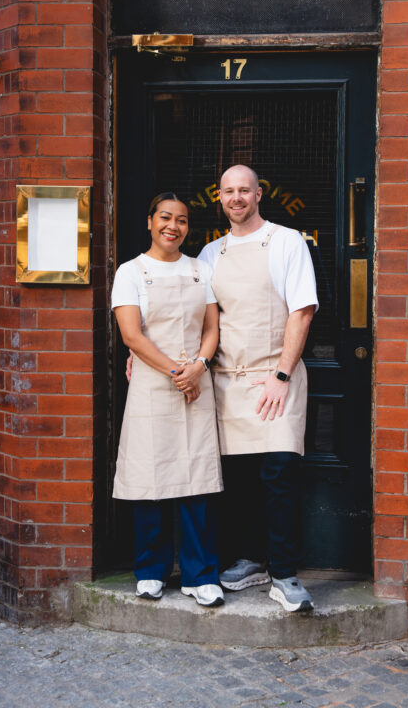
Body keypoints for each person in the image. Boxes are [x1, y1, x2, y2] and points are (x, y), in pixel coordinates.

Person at [198, 165, 318, 612]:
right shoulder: (212, 253)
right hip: (229, 381)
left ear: (259, 194)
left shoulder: (286, 241)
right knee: (240, 480)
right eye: (228, 191)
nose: (236, 198)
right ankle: (250, 561)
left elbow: (301, 312)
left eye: (244, 190)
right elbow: (201, 318)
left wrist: (282, 375)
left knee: (280, 474)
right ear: (219, 197)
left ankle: (285, 574)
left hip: (276, 377)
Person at [112, 192, 224, 608]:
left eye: (180, 220)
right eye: (164, 217)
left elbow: (212, 328)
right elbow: (132, 336)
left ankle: (201, 574)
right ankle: (151, 570)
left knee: (198, 479)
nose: (172, 227)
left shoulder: (201, 269)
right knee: (151, 478)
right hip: (153, 385)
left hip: (195, 382)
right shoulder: (131, 272)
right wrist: (179, 374)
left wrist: (199, 364)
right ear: (149, 221)